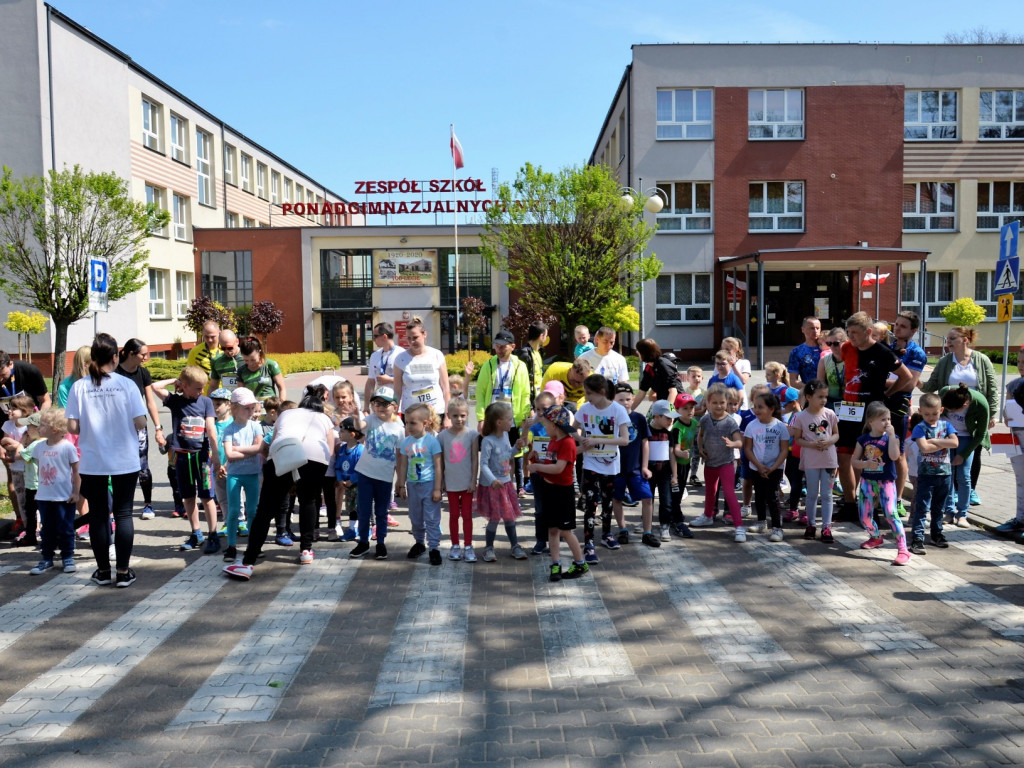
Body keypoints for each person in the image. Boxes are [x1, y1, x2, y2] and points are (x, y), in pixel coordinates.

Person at [223, 385, 335, 578]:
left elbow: (274, 444)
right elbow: (330, 451)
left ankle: (248, 562)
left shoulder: (287, 414)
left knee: (265, 510)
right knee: (308, 501)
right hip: (316, 459)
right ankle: (306, 551)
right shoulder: (325, 418)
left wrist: (279, 477)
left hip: (283, 454)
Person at [65, 333, 147, 588]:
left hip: (93, 460)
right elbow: (141, 422)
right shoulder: (126, 385)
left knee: (99, 516)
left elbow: (73, 427)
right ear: (115, 357)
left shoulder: (80, 386)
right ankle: (123, 572)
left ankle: (102, 571)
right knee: (123, 514)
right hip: (124, 459)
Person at [835, 312, 913, 523]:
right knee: (844, 457)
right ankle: (850, 504)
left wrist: (887, 394)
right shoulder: (846, 348)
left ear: (868, 332)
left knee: (872, 457)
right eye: (849, 333)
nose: (851, 337)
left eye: (855, 333)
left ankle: (873, 506)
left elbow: (906, 377)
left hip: (871, 411)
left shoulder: (882, 352)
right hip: (849, 409)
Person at [920, 326, 998, 507]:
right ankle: (952, 492)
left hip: (974, 414)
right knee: (950, 453)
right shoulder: (945, 361)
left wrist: (991, 414)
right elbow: (931, 384)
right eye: (947, 339)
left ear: (965, 340)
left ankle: (970, 490)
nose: (948, 342)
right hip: (949, 416)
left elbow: (992, 388)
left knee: (973, 451)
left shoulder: (981, 360)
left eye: (952, 338)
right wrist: (917, 381)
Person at [152, 366, 222, 554]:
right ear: (185, 386)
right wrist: (174, 381)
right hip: (182, 457)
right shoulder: (175, 401)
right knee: (188, 496)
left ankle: (213, 534)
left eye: (202, 388)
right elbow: (154, 387)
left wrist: (215, 456)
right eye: (197, 388)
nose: (200, 391)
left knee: (207, 497)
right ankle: (195, 532)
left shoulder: (206, 402)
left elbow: (211, 429)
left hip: (202, 456)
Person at [528, 404, 588, 581]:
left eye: (546, 425)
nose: (545, 428)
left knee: (566, 530)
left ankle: (580, 563)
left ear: (554, 425)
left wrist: (537, 466)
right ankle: (556, 563)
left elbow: (559, 468)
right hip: (549, 489)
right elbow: (550, 464)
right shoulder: (554, 440)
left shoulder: (567, 442)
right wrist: (537, 460)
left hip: (562, 493)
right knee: (552, 529)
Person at [576, 374, 631, 564]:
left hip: (610, 464)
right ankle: (588, 543)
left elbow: (624, 440)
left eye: (589, 393)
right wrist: (581, 443)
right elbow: (572, 429)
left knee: (608, 502)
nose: (587, 397)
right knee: (590, 503)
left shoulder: (618, 410)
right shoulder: (584, 409)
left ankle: (607, 534)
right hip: (590, 463)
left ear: (601, 392)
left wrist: (596, 440)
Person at [852, 402, 911, 566]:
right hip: (867, 482)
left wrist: (892, 436)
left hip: (886, 482)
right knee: (864, 516)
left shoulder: (892, 438)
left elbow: (894, 457)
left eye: (889, 419)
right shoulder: (863, 439)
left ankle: (903, 549)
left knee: (891, 513)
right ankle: (876, 536)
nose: (887, 423)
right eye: (883, 419)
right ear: (870, 421)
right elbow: (854, 462)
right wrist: (864, 464)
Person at [22, 409, 80, 576]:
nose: (39, 427)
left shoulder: (68, 447)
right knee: (46, 529)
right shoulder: (39, 447)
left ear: (54, 429)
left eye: (43, 425)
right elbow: (40, 469)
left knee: (66, 527)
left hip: (64, 496)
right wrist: (39, 489)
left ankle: (67, 556)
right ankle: (46, 558)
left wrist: (76, 492)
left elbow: (76, 471)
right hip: (44, 496)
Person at [350, 386, 404, 560]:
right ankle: (363, 542)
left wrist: (400, 480)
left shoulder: (399, 428)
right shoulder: (371, 419)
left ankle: (380, 543)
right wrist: (356, 415)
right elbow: (360, 426)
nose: (380, 407)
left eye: (385, 404)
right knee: (364, 511)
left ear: (394, 407)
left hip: (385, 477)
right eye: (377, 403)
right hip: (365, 474)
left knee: (381, 512)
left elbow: (400, 457)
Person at [115, 339, 164, 521]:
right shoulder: (115, 373)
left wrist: (158, 428)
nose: (146, 358)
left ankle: (148, 505)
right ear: (130, 354)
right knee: (119, 467)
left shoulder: (143, 373)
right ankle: (119, 506)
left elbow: (150, 402)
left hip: (139, 426)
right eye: (143, 354)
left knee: (142, 465)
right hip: (118, 428)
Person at [887, 311, 927, 517]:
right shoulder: (887, 347)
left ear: (913, 330)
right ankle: (879, 496)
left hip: (899, 406)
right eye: (896, 324)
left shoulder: (916, 353)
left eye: (903, 326)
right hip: (879, 404)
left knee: (898, 452)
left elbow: (909, 384)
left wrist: (886, 385)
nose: (897, 328)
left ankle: (898, 499)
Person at [789, 380, 839, 543]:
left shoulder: (830, 414)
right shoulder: (801, 417)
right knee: (811, 494)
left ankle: (826, 527)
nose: (824, 400)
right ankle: (810, 525)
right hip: (811, 460)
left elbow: (836, 434)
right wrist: (812, 444)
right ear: (809, 397)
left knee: (827, 494)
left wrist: (829, 441)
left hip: (829, 460)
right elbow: (798, 439)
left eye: (825, 396)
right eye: (820, 397)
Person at [476, 401, 526, 562]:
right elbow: (483, 464)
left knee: (510, 517)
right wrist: (492, 480)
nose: (512, 422)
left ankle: (515, 546)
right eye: (509, 419)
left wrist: (517, 448)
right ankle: (488, 548)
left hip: (506, 483)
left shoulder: (505, 435)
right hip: (493, 486)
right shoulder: (487, 441)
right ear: (499, 422)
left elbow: (508, 455)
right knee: (495, 518)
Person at [908, 392, 957, 555]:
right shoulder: (919, 428)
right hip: (926, 475)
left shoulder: (946, 425)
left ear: (941, 410)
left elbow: (955, 443)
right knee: (922, 508)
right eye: (927, 414)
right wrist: (943, 444)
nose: (931, 417)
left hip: (944, 474)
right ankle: (917, 538)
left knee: (939, 507)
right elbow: (924, 448)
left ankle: (936, 534)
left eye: (935, 413)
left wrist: (934, 441)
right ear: (920, 411)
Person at [396, 403, 444, 565]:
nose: (408, 426)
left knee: (431, 518)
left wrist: (438, 488)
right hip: (413, 485)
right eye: (407, 422)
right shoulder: (406, 442)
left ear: (426, 423)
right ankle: (419, 543)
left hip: (429, 485)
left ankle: (434, 548)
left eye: (412, 423)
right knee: (415, 517)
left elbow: (438, 466)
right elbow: (403, 464)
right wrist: (401, 484)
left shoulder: (432, 442)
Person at [693, 384, 744, 535]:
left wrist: (732, 443)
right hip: (710, 463)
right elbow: (700, 435)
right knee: (710, 491)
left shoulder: (730, 422)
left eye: (722, 402)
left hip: (726, 463)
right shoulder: (705, 419)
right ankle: (707, 516)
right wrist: (701, 448)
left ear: (727, 402)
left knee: (729, 493)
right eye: (714, 403)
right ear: (708, 403)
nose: (718, 406)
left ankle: (739, 526)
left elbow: (740, 442)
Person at [938, 384, 990, 528]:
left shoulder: (980, 403)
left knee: (964, 476)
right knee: (947, 474)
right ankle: (948, 512)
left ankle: (962, 515)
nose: (948, 411)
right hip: (946, 436)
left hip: (967, 438)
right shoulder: (946, 392)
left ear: (965, 404)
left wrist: (963, 454)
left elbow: (980, 434)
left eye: (952, 410)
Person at [220, 387, 262, 562]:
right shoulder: (229, 429)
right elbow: (229, 455)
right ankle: (231, 547)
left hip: (252, 474)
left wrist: (238, 449)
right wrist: (249, 451)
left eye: (252, 407)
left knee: (253, 510)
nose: (250, 411)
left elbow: (259, 448)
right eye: (246, 407)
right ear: (234, 407)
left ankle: (252, 546)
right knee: (234, 510)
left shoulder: (255, 426)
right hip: (235, 475)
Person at [743, 390, 790, 543]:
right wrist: (759, 466)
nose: (756, 410)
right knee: (760, 495)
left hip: (775, 469)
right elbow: (748, 449)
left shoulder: (780, 427)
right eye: (755, 407)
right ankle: (761, 522)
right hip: (756, 468)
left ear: (771, 409)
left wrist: (774, 467)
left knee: (773, 496)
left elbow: (784, 450)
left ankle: (777, 527)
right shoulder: (751, 426)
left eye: (760, 407)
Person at [611, 382, 654, 544]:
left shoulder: (639, 418)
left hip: (636, 468)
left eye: (628, 399)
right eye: (620, 400)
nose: (625, 403)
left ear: (633, 399)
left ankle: (647, 532)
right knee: (617, 498)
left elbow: (645, 442)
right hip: (616, 468)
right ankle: (622, 529)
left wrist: (644, 466)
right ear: (613, 400)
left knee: (647, 498)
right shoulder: (611, 418)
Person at [439, 397, 479, 562]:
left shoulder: (472, 434)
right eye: (455, 416)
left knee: (467, 515)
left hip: (467, 483)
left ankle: (468, 546)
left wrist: (473, 480)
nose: (459, 419)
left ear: (468, 415)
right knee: (454, 515)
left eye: (462, 415)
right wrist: (441, 482)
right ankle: (455, 545)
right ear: (448, 415)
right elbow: (440, 461)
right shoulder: (442, 436)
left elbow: (475, 459)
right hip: (451, 483)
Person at [393, 317, 451, 419]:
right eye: (409, 338)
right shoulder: (400, 359)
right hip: (411, 413)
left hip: (435, 412)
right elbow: (397, 390)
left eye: (415, 337)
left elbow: (446, 389)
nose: (412, 342)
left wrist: (447, 416)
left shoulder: (437, 355)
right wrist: (394, 415)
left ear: (424, 334)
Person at [646, 399, 676, 547]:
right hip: (649, 473)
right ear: (656, 416)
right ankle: (646, 524)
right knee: (648, 499)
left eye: (672, 418)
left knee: (666, 501)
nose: (671, 421)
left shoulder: (668, 434)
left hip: (664, 473)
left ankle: (665, 525)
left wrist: (674, 475)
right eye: (668, 418)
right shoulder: (646, 431)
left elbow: (671, 455)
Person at [669, 393, 697, 539]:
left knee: (680, 493)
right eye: (685, 408)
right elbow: (675, 450)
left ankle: (674, 514)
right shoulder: (677, 427)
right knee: (675, 492)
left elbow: (694, 441)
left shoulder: (694, 423)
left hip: (686, 464)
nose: (690, 411)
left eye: (691, 408)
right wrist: (682, 454)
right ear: (677, 410)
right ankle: (676, 519)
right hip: (677, 465)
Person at [0, 350, 50, 427]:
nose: (0, 379)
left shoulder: (29, 371)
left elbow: (46, 400)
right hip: (5, 426)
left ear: (10, 364)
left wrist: (38, 420)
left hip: (29, 424)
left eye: (3, 375)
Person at [334, 416, 364, 542]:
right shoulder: (342, 449)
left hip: (357, 484)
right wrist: (340, 479)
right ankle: (352, 529)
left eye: (342, 431)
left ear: (352, 434)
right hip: (346, 484)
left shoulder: (360, 450)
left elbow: (361, 468)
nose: (339, 434)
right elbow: (338, 466)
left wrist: (352, 480)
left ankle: (360, 529)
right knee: (350, 507)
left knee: (359, 507)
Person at [236, 336, 287, 404]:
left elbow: (282, 388)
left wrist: (281, 406)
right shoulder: (241, 371)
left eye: (253, 360)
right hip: (252, 410)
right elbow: (241, 394)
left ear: (259, 352)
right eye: (246, 360)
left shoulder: (271, 365)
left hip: (270, 408)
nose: (250, 363)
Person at [632, 338, 680, 409]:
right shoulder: (649, 367)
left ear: (644, 353)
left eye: (638, 351)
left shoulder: (664, 365)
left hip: (676, 406)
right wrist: (629, 411)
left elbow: (673, 391)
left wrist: (669, 412)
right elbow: (642, 391)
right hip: (663, 403)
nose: (637, 353)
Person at [364, 322, 402, 410]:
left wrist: (390, 380)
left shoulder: (401, 354)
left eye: (375, 336)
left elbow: (409, 380)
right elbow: (370, 382)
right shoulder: (375, 355)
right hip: (379, 404)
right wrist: (366, 407)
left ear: (384, 336)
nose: (373, 339)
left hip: (397, 405)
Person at [779, 387, 803, 523]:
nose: (784, 407)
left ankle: (794, 509)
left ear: (794, 402)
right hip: (790, 450)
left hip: (797, 452)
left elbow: (793, 432)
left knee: (796, 480)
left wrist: (785, 428)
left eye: (785, 404)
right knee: (790, 474)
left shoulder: (799, 415)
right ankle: (795, 505)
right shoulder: (794, 415)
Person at [514, 321, 548, 405]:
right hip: (528, 401)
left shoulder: (538, 352)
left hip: (538, 398)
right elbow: (521, 382)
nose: (546, 338)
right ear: (541, 336)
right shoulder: (524, 354)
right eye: (546, 336)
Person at [787, 316, 823, 389]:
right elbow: (793, 380)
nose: (815, 331)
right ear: (803, 329)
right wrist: (810, 389)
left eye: (817, 328)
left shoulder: (829, 348)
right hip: (809, 393)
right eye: (812, 328)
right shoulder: (797, 352)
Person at [815, 328, 847, 410]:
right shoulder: (824, 360)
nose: (832, 347)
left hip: (850, 402)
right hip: (830, 402)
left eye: (836, 343)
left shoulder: (853, 359)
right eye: (829, 343)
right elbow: (820, 384)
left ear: (846, 342)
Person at [185, 321, 220, 385]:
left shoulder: (227, 349)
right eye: (206, 337)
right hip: (203, 393)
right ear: (202, 334)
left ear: (219, 333)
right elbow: (190, 374)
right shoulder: (195, 351)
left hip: (224, 392)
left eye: (212, 337)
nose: (210, 340)